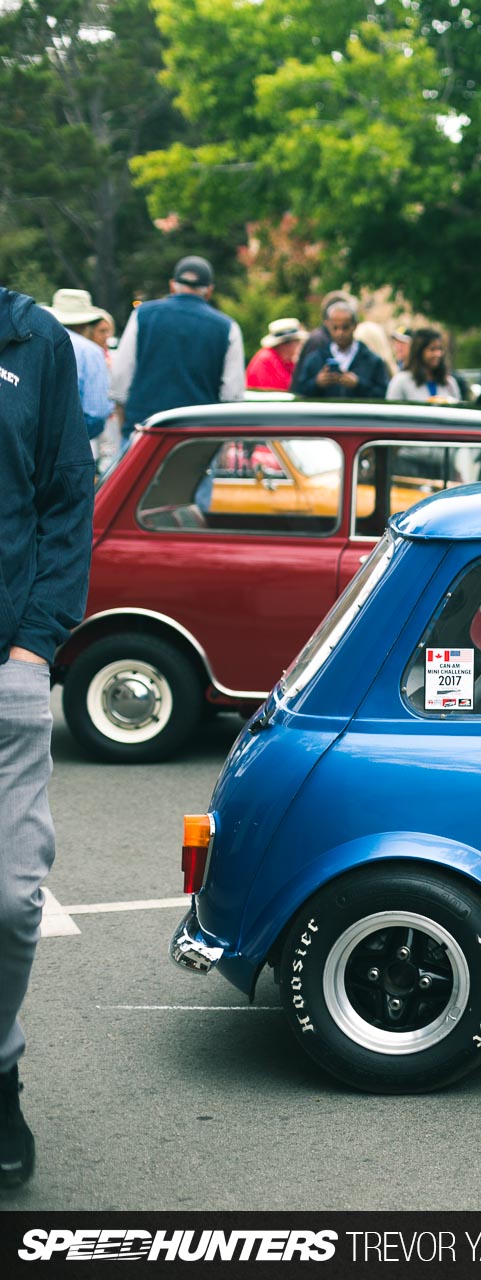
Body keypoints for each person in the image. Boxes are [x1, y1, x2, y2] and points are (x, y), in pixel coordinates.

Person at [0, 285, 95, 1187]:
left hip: (7, 667)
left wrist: (34, 647)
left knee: (8, 901)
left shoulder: (34, 340)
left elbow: (68, 498)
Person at [110, 255, 244, 437]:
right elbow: (232, 393)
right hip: (198, 434)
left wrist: (124, 420)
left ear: (173, 285)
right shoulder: (227, 327)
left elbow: (121, 374)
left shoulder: (143, 315)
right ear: (209, 290)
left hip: (145, 428)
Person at [292, 299, 392, 399]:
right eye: (335, 328)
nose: (340, 333)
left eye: (345, 327)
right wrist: (316, 383)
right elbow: (298, 392)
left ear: (355, 325)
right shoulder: (315, 359)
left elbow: (383, 394)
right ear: (327, 325)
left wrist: (358, 384)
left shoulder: (372, 361)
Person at [47, 289, 111, 441]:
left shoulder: (34, 342)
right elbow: (96, 413)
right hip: (66, 444)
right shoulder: (90, 352)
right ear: (86, 323)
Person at [386, 325, 465, 403]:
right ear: (419, 351)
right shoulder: (401, 381)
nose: (438, 354)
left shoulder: (449, 383)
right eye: (432, 349)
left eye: (439, 349)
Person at [244, 317, 305, 392]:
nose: (299, 345)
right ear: (286, 344)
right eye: (297, 341)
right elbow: (287, 389)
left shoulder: (282, 359)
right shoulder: (267, 359)